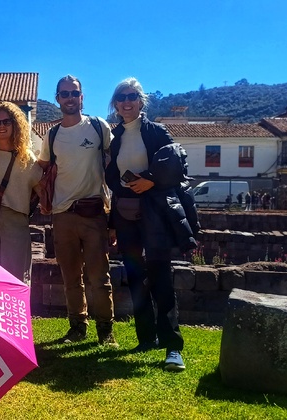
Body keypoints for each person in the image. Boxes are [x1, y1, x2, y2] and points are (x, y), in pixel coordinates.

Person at [104, 77, 199, 371]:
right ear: (115, 104)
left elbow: (178, 163)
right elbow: (113, 180)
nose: (127, 101)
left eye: (132, 96)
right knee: (135, 276)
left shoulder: (157, 131)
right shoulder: (115, 136)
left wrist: (152, 181)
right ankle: (146, 338)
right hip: (126, 214)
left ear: (141, 100)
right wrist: (112, 220)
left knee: (160, 276)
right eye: (121, 97)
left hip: (154, 213)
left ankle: (172, 346)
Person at [38, 75, 117, 347]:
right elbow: (43, 169)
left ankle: (106, 331)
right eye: (64, 93)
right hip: (62, 215)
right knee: (70, 276)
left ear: (82, 97)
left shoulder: (98, 127)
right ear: (57, 98)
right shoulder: (52, 134)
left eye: (74, 93)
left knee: (99, 277)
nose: (70, 98)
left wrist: (114, 214)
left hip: (93, 212)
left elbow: (114, 165)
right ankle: (77, 327)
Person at [0, 101, 42, 283]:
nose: (1, 126)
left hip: (16, 220)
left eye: (6, 121)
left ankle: (16, 311)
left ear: (15, 124)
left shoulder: (27, 157)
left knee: (16, 273)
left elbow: (42, 189)